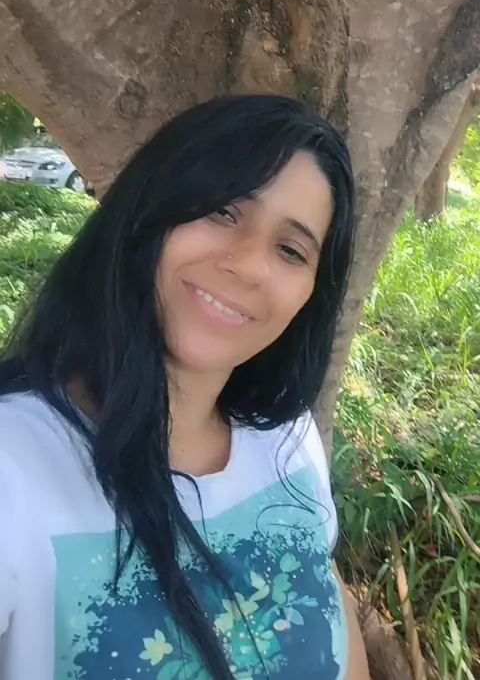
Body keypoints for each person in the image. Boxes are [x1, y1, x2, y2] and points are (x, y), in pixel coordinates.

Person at [0, 95, 369, 680]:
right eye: (222, 211)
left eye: (290, 250)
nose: (249, 265)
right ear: (149, 209)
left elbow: (334, 620)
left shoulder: (288, 441)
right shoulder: (13, 466)